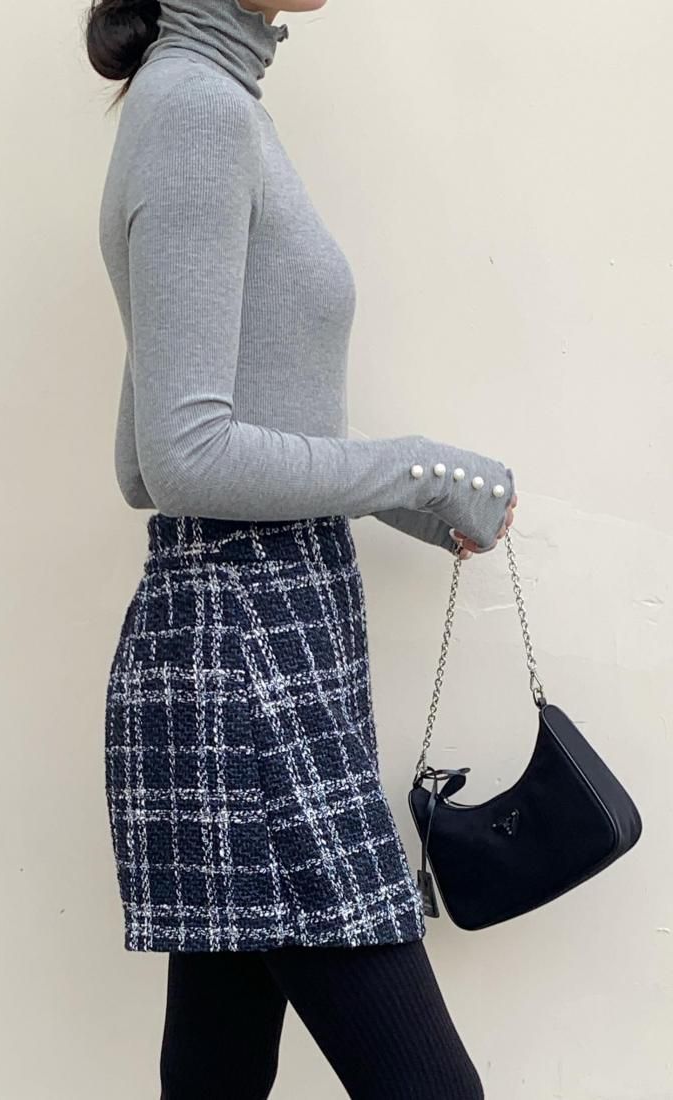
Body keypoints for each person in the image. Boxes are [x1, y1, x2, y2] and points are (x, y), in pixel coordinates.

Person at [87, 2, 517, 1096]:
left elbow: (144, 461)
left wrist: (390, 505)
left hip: (252, 634)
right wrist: (415, 472)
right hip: (248, 657)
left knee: (217, 1072)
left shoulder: (206, 100)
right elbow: (182, 457)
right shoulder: (197, 110)